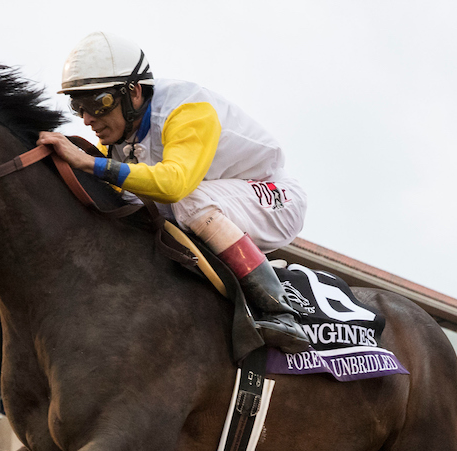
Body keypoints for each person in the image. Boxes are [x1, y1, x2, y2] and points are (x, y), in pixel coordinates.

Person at [40, 32, 310, 353]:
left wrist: (89, 163)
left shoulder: (187, 109)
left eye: (98, 103)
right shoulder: (116, 140)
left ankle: (278, 310)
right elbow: (108, 196)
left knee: (186, 199)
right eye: (78, 105)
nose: (87, 119)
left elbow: (174, 185)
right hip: (217, 206)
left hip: (276, 198)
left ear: (135, 92)